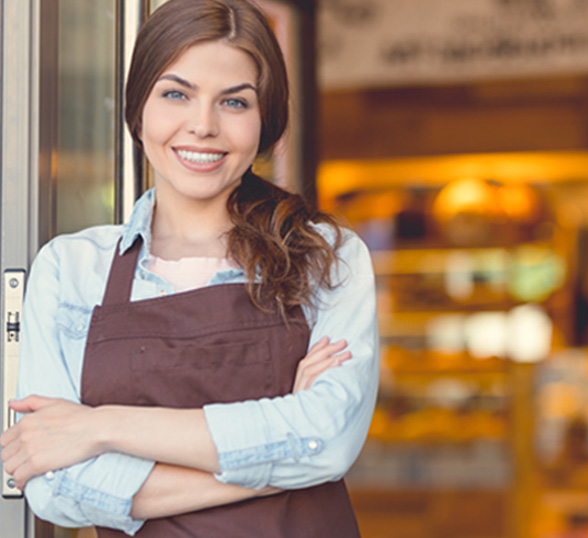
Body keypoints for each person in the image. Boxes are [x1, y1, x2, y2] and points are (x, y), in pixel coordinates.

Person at [0, 0, 378, 536]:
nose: (203, 126)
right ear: (139, 110)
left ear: (264, 120)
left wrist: (103, 426)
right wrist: (279, 455)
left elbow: (328, 440)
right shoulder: (70, 269)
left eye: (234, 102)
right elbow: (54, 484)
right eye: (176, 94)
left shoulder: (326, 258)